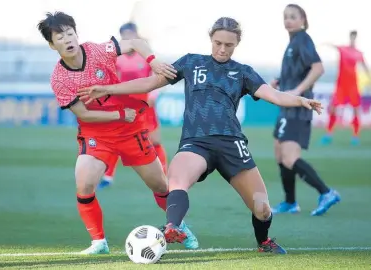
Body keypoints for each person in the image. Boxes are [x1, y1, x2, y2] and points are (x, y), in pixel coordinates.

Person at [78, 17, 325, 254]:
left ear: (236, 44)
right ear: (211, 39)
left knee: (262, 210)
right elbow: (148, 84)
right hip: (196, 142)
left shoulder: (243, 72)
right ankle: (173, 227)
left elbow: (275, 95)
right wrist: (107, 89)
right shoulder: (191, 62)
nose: (222, 49)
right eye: (218, 43)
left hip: (232, 144)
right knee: (176, 179)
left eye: (229, 45)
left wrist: (300, 99)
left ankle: (264, 241)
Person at [37, 11, 198, 255]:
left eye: (70, 33)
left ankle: (180, 226)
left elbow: (135, 43)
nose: (67, 39)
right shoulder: (59, 78)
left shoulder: (97, 50)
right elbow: (83, 114)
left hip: (129, 131)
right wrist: (119, 115)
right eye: (60, 37)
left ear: (76, 34)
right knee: (84, 184)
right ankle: (98, 242)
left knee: (159, 184)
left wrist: (152, 60)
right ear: (51, 44)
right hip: (97, 134)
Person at [269, 4, 341, 217]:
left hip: (298, 107)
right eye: (285, 17)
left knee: (290, 157)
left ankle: (326, 192)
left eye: (293, 17)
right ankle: (290, 202)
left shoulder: (303, 39)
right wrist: (280, 82)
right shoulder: (293, 43)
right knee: (279, 153)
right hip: (287, 106)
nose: (288, 20)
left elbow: (318, 67)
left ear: (303, 20)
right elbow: (297, 71)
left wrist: (298, 91)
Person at [98, 22, 168, 189]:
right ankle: (107, 176)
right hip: (124, 102)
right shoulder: (116, 57)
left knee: (154, 140)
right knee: (116, 138)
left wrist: (153, 95)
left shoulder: (146, 54)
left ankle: (163, 172)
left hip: (145, 102)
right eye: (125, 36)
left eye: (131, 35)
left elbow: (159, 75)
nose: (128, 39)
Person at [321, 30, 371, 146]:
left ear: (356, 39)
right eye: (351, 37)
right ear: (349, 37)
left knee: (356, 110)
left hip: (352, 86)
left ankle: (355, 136)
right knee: (333, 108)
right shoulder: (343, 49)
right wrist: (324, 42)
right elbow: (333, 46)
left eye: (354, 38)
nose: (353, 39)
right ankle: (328, 134)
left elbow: (365, 67)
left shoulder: (358, 53)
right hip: (341, 85)